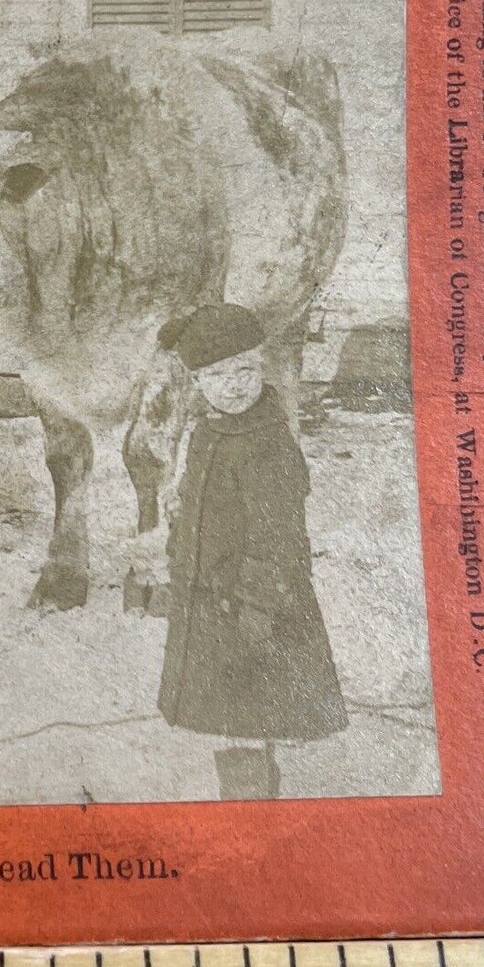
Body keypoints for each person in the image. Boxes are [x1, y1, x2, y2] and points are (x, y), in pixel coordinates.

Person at [155, 303, 347, 800]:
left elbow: (278, 535)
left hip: (256, 605)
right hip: (211, 601)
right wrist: (178, 560)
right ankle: (247, 799)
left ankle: (251, 810)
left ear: (262, 368)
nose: (235, 385)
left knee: (248, 713)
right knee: (229, 714)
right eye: (218, 375)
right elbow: (196, 511)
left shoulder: (269, 442)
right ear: (196, 382)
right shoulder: (207, 432)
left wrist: (258, 609)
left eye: (246, 370)